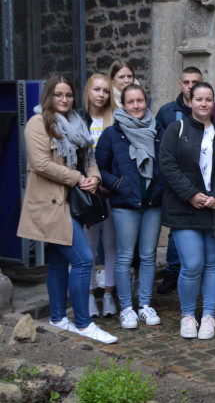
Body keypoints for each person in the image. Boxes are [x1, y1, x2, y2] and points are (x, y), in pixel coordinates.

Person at [17, 75, 118, 344]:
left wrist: (94, 178)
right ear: (49, 96)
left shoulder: (77, 122)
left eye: (69, 95)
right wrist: (77, 178)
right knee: (84, 260)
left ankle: (59, 319)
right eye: (59, 95)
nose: (64, 100)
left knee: (60, 262)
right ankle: (84, 324)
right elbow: (40, 164)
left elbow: (91, 158)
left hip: (74, 203)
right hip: (51, 205)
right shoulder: (37, 123)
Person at [159, 82, 215, 340]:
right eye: (199, 99)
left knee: (214, 264)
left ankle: (209, 315)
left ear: (214, 102)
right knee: (192, 265)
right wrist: (191, 194)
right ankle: (188, 314)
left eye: (208, 99)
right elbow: (168, 165)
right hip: (184, 208)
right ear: (190, 101)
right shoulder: (175, 129)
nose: (204, 104)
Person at [95, 84, 165, 330]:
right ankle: (126, 308)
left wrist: (161, 186)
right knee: (124, 256)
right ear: (123, 105)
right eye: (131, 102)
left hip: (152, 203)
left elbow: (166, 164)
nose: (136, 106)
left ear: (146, 101)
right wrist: (117, 184)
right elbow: (99, 167)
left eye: (140, 101)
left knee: (148, 256)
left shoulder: (157, 131)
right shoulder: (112, 134)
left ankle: (144, 305)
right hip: (125, 203)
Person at [156, 66, 203, 295]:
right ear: (180, 84)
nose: (191, 86)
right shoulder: (167, 112)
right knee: (176, 230)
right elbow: (161, 149)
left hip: (201, 182)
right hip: (174, 182)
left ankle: (194, 271)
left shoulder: (206, 112)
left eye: (195, 82)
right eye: (187, 82)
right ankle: (172, 272)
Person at [82, 73, 118, 319]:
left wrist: (109, 185)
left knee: (111, 245)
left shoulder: (114, 119)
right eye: (97, 90)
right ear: (88, 91)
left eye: (105, 90)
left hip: (108, 192)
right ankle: (87, 296)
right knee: (88, 247)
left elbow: (119, 157)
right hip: (84, 192)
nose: (101, 95)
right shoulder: (77, 120)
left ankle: (108, 294)